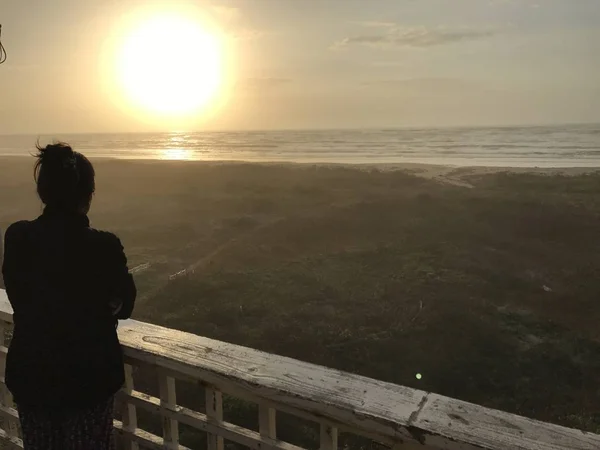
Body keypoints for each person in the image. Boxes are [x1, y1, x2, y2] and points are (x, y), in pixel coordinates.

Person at [1, 143, 136, 449]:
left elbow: (23, 293)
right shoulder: (103, 247)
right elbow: (126, 303)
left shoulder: (18, 238)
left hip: (32, 378)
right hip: (87, 383)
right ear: (88, 196)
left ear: (42, 192)